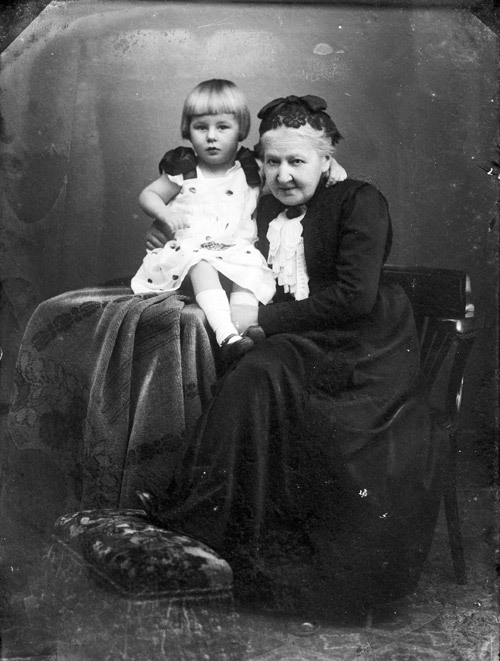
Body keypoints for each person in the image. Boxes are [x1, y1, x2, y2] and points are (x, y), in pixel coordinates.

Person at [139, 94, 445, 614]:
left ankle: (195, 519)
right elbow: (216, 240)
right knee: (247, 370)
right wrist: (168, 232)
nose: (282, 175)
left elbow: (354, 298)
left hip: (365, 347)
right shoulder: (263, 206)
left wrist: (266, 322)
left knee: (260, 373)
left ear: (326, 160)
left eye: (297, 161)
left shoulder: (360, 200)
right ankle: (200, 523)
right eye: (272, 161)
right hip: (307, 338)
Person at [131, 79, 347, 367]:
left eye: (222, 127)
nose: (211, 137)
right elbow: (149, 195)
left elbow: (295, 155)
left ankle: (243, 332)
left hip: (235, 251)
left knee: (250, 273)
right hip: (191, 252)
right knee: (202, 262)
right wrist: (164, 215)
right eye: (201, 127)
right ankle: (225, 333)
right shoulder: (184, 169)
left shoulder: (250, 167)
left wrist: (331, 164)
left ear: (240, 130)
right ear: (187, 130)